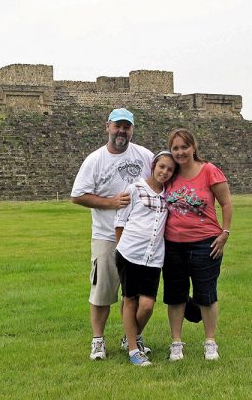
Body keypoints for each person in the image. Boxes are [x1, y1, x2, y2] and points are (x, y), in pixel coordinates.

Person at [70, 108, 153, 360]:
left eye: (126, 127)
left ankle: (132, 338)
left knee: (136, 295)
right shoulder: (95, 160)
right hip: (106, 236)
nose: (121, 131)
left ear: (132, 130)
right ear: (107, 126)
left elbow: (161, 182)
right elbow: (78, 196)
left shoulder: (145, 156)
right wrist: (111, 202)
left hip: (138, 238)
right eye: (117, 126)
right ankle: (98, 340)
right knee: (102, 292)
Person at [163, 128, 233, 361]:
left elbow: (226, 203)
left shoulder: (209, 171)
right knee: (175, 295)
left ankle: (210, 342)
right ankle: (176, 343)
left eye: (184, 147)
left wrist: (225, 233)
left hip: (206, 243)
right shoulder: (170, 173)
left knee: (206, 294)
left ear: (194, 147)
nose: (180, 152)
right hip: (173, 245)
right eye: (175, 148)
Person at [114, 151, 177, 366]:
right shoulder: (135, 189)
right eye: (162, 167)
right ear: (153, 165)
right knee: (130, 300)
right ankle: (134, 350)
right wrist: (122, 251)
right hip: (130, 254)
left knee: (148, 305)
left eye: (170, 169)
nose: (165, 172)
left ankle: (129, 337)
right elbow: (120, 223)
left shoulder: (169, 195)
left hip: (154, 257)